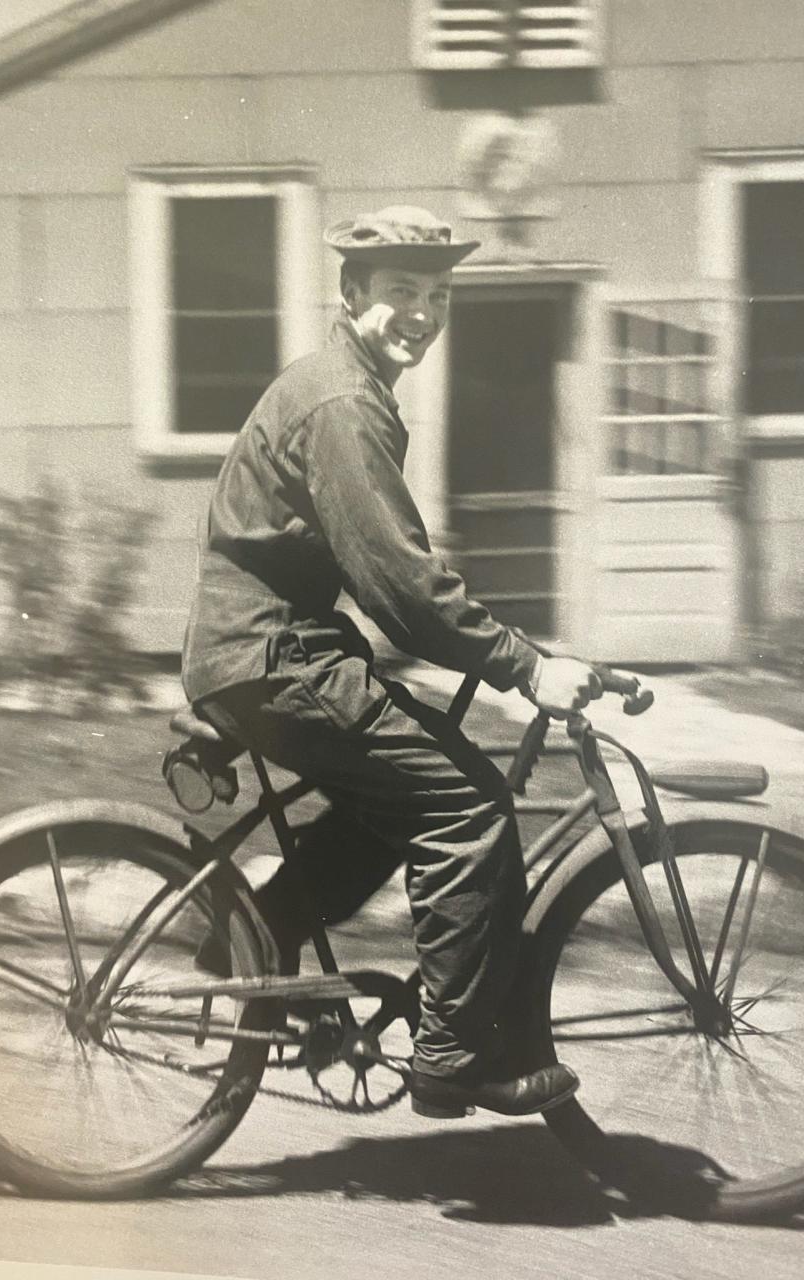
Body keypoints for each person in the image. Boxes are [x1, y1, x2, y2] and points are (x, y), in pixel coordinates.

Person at [181, 205, 601, 1119]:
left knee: (400, 802)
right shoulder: (342, 404)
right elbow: (403, 587)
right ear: (353, 293)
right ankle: (451, 1059)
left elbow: (393, 577)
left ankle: (253, 932)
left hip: (271, 653)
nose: (423, 313)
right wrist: (527, 668)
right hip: (272, 658)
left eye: (439, 294)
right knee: (469, 805)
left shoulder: (352, 390)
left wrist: (508, 651)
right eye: (402, 291)